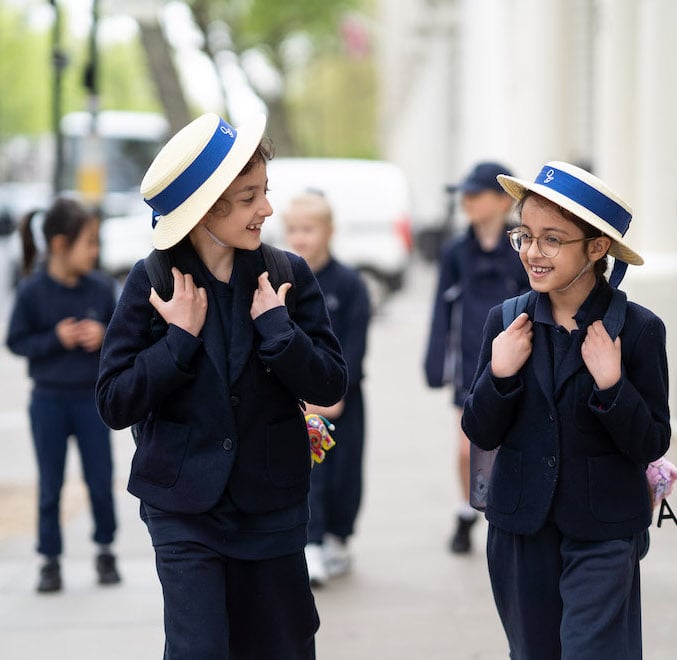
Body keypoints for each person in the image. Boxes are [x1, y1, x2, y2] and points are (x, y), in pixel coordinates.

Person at [95, 113, 347, 659]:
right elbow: (115, 401)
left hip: (273, 508)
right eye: (250, 197)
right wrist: (177, 342)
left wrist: (280, 331)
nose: (267, 209)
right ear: (207, 207)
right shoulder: (153, 281)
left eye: (265, 191)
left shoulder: (288, 274)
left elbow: (330, 381)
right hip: (184, 509)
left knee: (283, 647)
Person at [461, 161, 671, 658]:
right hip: (519, 527)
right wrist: (501, 374)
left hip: (604, 532)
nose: (533, 252)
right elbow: (479, 428)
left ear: (597, 248)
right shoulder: (505, 322)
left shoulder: (639, 329)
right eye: (525, 236)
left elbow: (651, 441)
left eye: (552, 239)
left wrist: (613, 384)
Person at [6, 197, 120, 593]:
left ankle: (106, 551)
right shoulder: (33, 291)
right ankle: (49, 560)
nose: (95, 251)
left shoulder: (103, 288)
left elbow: (127, 337)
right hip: (49, 402)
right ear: (59, 245)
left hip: (93, 401)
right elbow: (16, 341)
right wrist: (56, 338)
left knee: (100, 481)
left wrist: (104, 333)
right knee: (50, 484)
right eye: (88, 242)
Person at [423, 162, 529, 554]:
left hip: (517, 357)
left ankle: (508, 511)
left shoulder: (521, 246)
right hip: (469, 359)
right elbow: (441, 307)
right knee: (469, 446)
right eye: (463, 195)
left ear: (503, 201)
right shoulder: (455, 251)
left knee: (511, 442)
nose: (466, 202)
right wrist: (434, 360)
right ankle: (469, 508)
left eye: (475, 194)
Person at [282, 191, 370, 587]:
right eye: (293, 230)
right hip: (299, 403)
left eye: (309, 229)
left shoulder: (350, 284)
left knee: (345, 475)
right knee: (309, 473)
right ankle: (310, 543)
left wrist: (336, 395)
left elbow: (354, 345)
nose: (300, 238)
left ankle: (338, 535)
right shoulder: (283, 279)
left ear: (329, 231)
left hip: (343, 400)